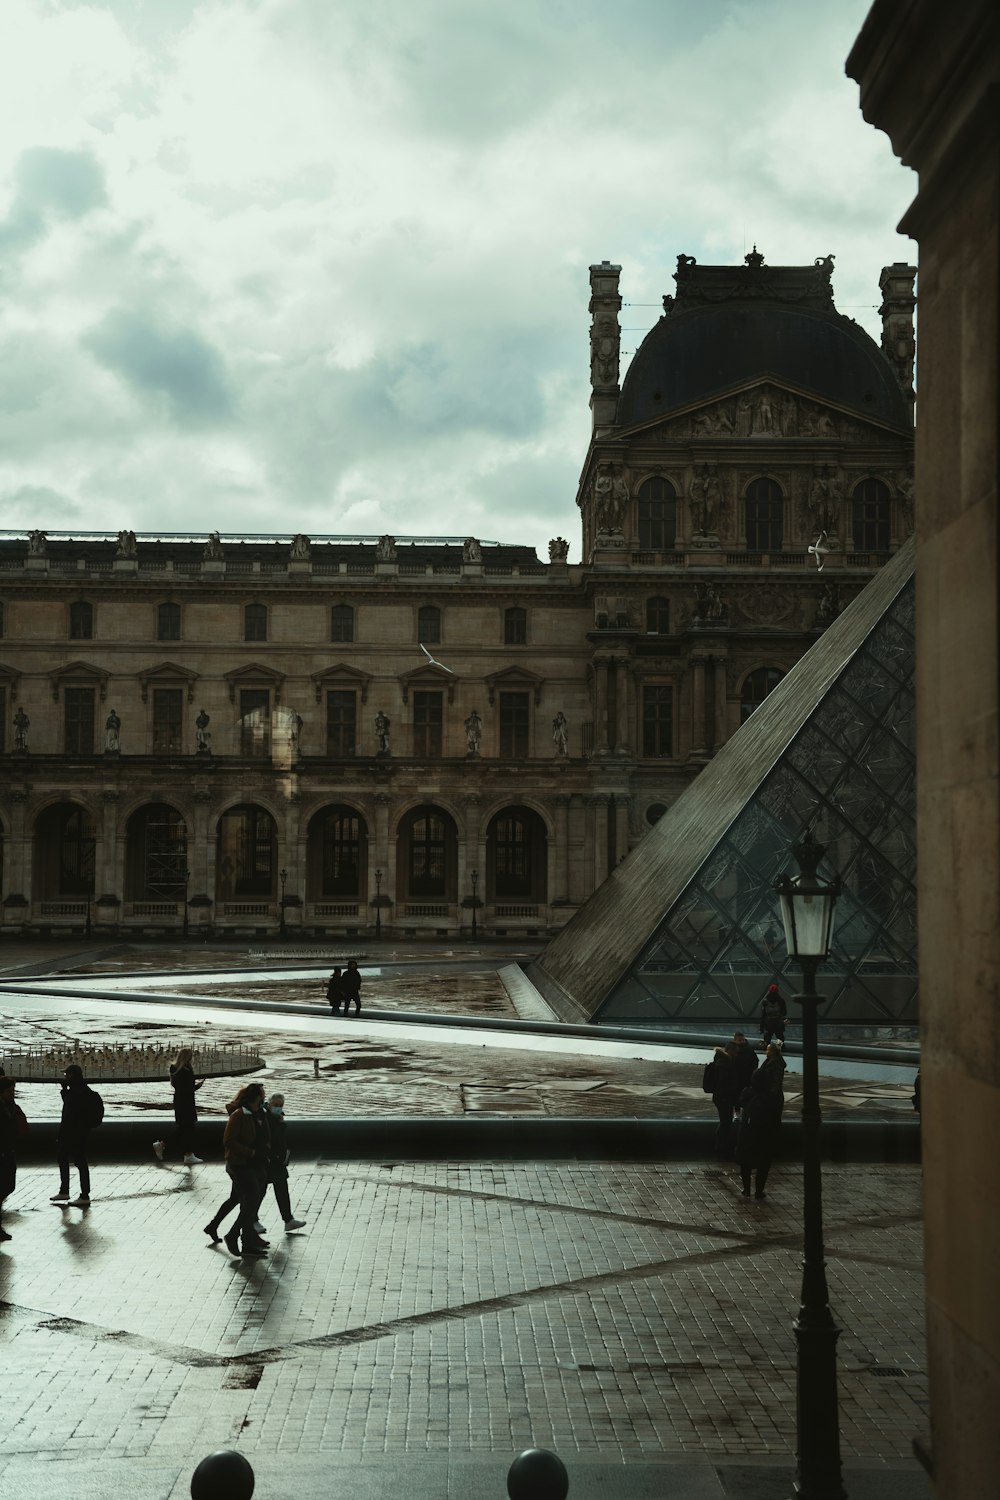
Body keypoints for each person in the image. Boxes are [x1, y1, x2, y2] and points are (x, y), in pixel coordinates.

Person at [219, 1083, 271, 1258]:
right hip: (241, 1164)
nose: (265, 1097)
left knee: (252, 1201)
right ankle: (234, 1235)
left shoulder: (260, 1114)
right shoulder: (239, 1115)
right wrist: (251, 1152)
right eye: (263, 1094)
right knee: (251, 1200)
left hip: (257, 1164)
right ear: (256, 1097)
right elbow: (229, 1141)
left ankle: (248, 1240)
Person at [51, 1064, 99, 1207]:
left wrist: (65, 1090)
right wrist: (65, 1090)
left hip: (74, 1133)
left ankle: (83, 1195)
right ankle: (66, 1191)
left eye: (66, 1075)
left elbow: (70, 1112)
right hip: (79, 1132)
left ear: (71, 1076)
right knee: (70, 1159)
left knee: (78, 1161)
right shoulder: (82, 1090)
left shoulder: (77, 1092)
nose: (65, 1077)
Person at [260, 1094, 306, 1232]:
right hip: (270, 1160)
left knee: (280, 1189)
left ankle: (288, 1219)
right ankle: (252, 1220)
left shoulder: (274, 1118)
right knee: (262, 1191)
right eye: (276, 1105)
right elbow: (272, 1138)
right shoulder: (268, 1119)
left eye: (281, 1105)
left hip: (276, 1160)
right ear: (269, 1104)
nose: (279, 1108)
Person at [735, 1071, 783, 1200]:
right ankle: (759, 1191)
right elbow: (776, 1116)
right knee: (763, 1164)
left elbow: (740, 1103)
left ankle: (746, 1189)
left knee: (746, 1163)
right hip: (764, 1133)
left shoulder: (747, 1093)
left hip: (747, 1132)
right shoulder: (771, 1097)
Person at [153, 1047, 204, 1164]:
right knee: (188, 1129)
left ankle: (185, 1153)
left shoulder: (175, 1070)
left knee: (183, 1128)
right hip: (187, 1102)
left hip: (179, 1101)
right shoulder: (186, 1070)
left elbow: (181, 1087)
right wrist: (197, 1086)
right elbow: (188, 1089)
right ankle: (186, 1154)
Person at [0, 1078, 28, 1242]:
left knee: (8, 1186)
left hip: (9, 1151)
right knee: (4, 1186)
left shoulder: (10, 1106)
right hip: (3, 1152)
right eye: (10, 1090)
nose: (13, 1093)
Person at [708, 1043, 740, 1158]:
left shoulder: (721, 1061)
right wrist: (726, 1097)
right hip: (724, 1098)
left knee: (725, 1121)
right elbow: (724, 1083)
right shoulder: (725, 1063)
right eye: (735, 1052)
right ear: (730, 1051)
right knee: (725, 1122)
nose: (736, 1055)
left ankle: (721, 1146)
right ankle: (721, 1146)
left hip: (721, 1097)